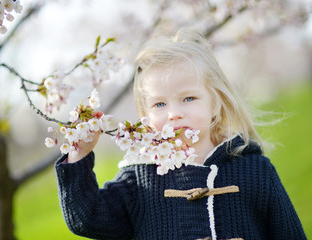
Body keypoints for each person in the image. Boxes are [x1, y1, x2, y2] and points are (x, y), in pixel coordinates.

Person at [54, 28, 307, 239]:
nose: (174, 113)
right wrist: (79, 155)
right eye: (160, 104)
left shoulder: (255, 170)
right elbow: (85, 218)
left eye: (188, 98)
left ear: (215, 104)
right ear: (146, 115)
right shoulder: (140, 180)